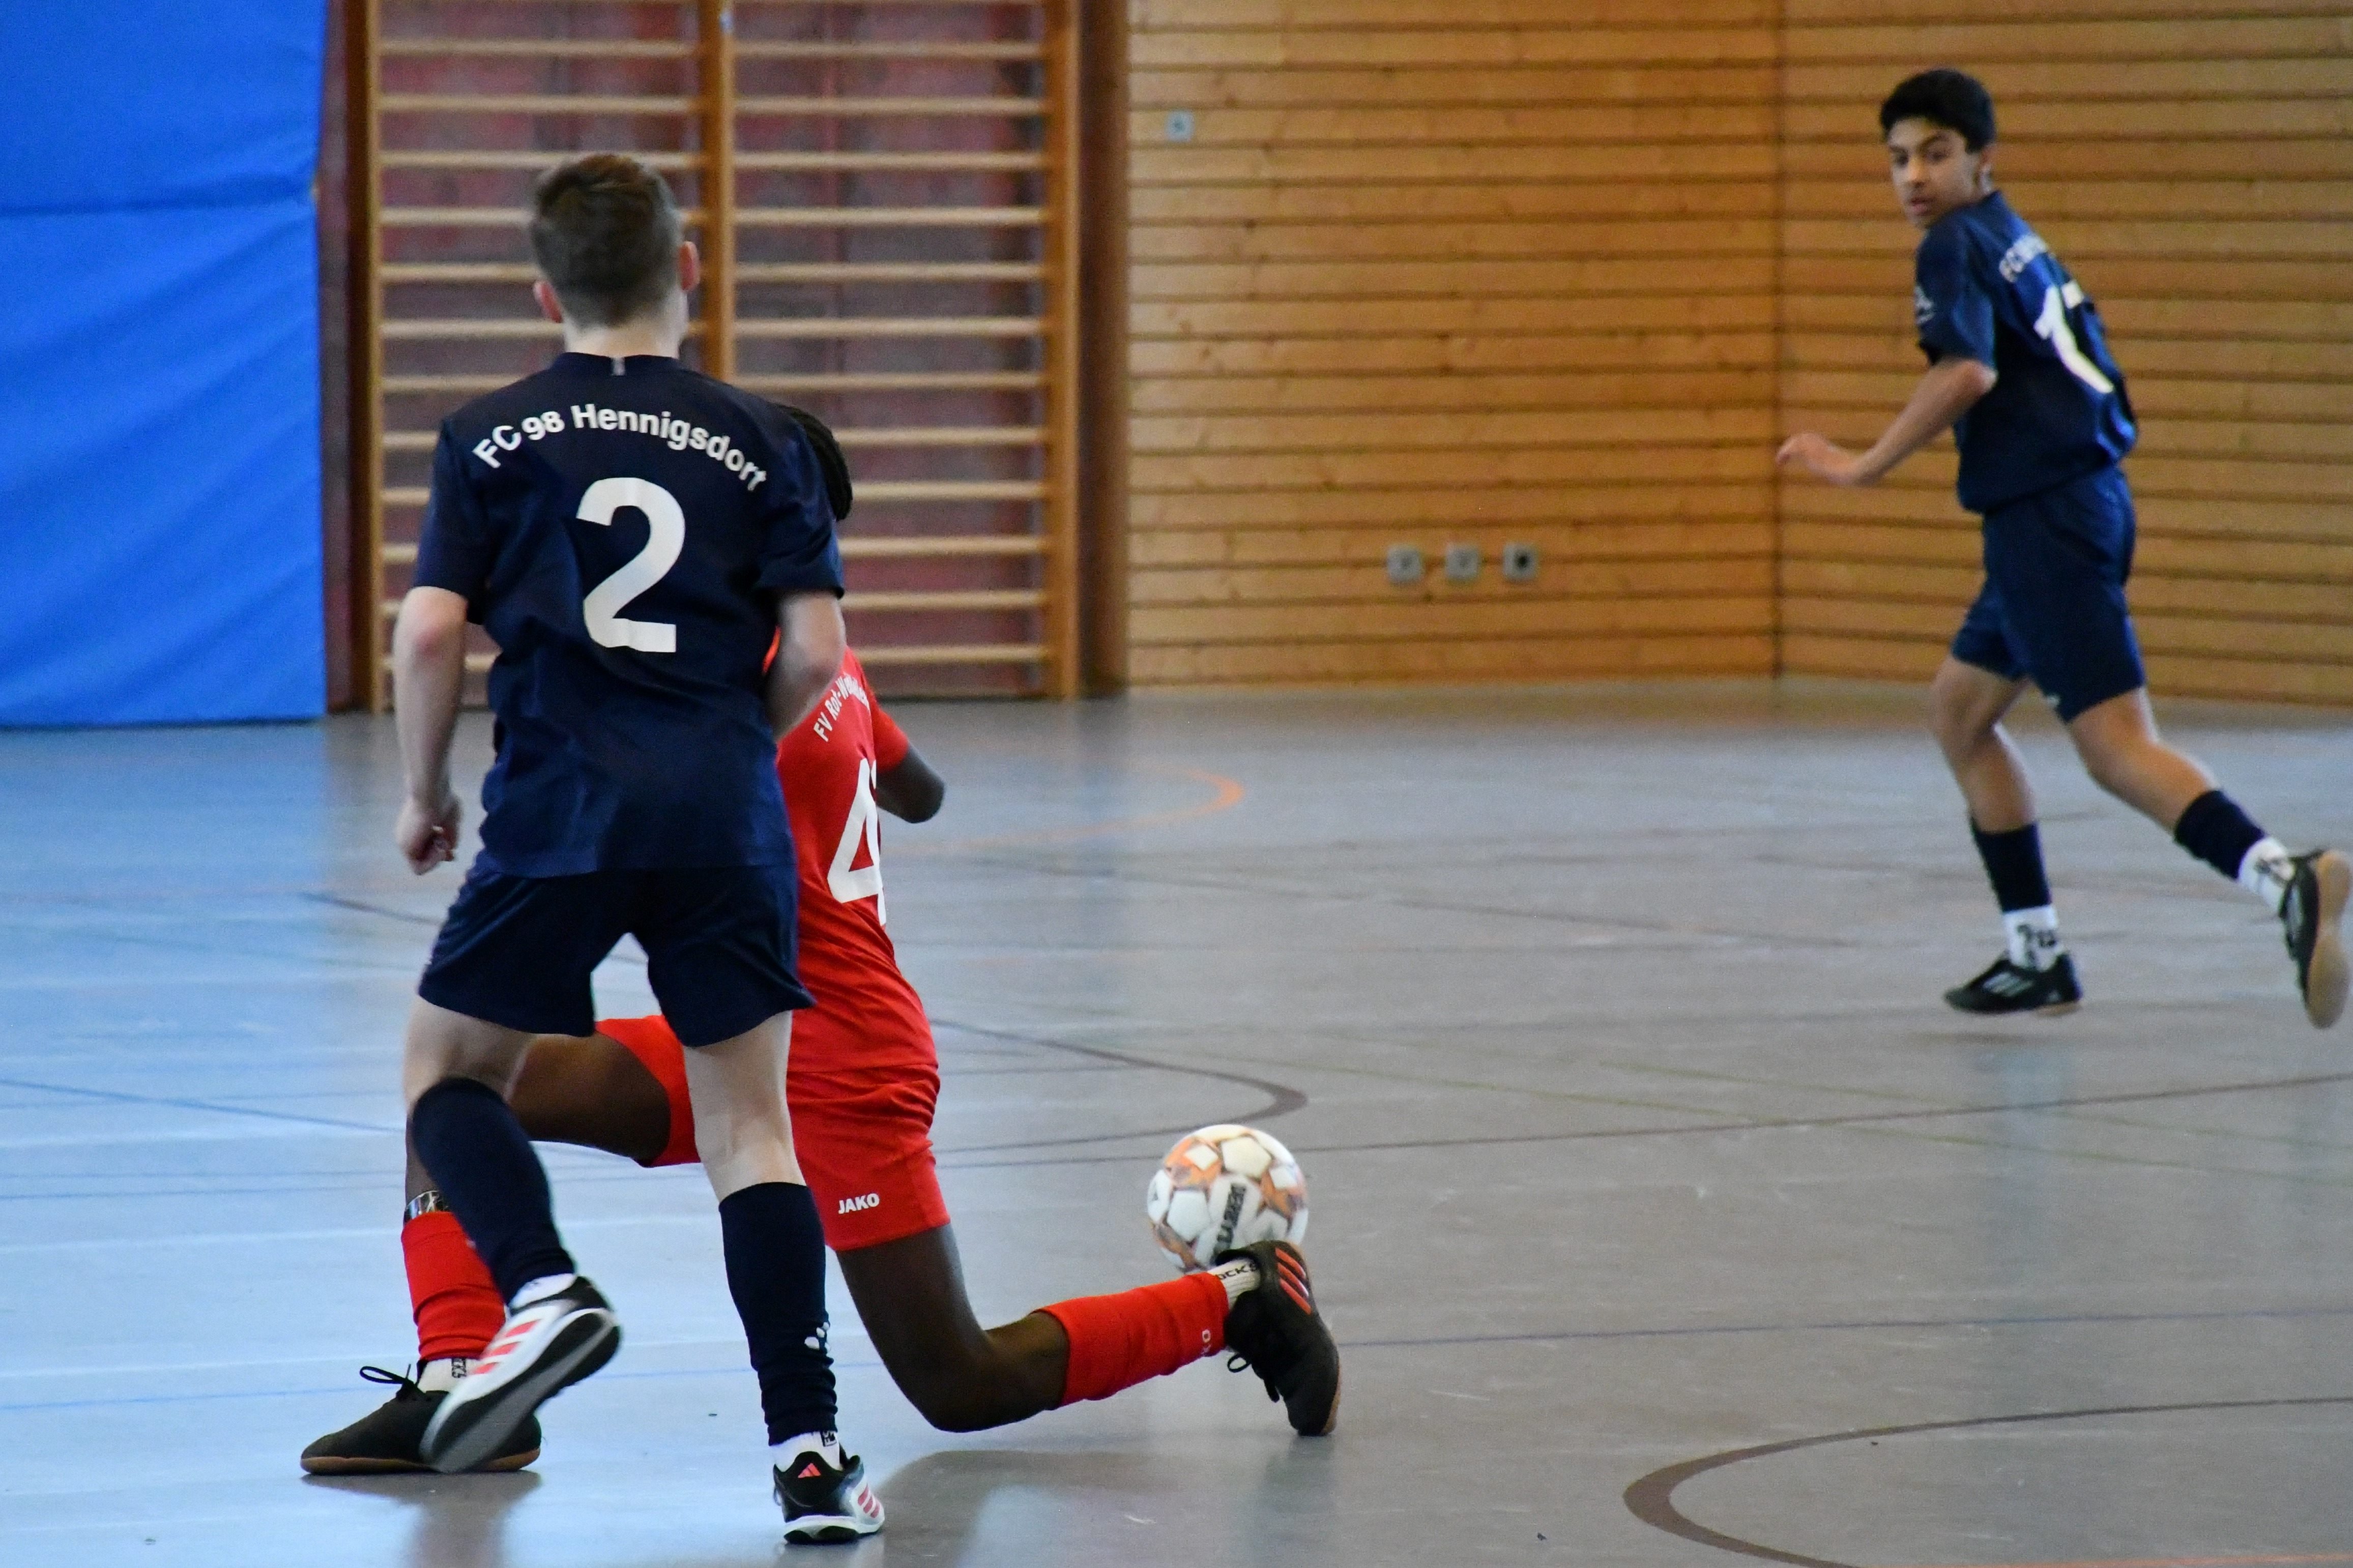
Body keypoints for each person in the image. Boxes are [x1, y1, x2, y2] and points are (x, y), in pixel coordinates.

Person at [308, 646, 1343, 1532]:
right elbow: (920, 791)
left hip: (846, 1059)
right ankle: (460, 1377)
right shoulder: (826, 662)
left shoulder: (729, 672)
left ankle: (1237, 1301)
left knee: (958, 1380)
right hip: (743, 1032)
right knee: (462, 1085)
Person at [381, 152, 857, 1529]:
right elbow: (815, 652)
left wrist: (425, 792)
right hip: (720, 812)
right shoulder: (760, 435)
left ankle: (543, 1290)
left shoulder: (486, 436)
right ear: (687, 270)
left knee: (445, 1073)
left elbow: (429, 631)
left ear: (546, 295)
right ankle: (810, 1457)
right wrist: (733, 746)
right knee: (751, 1129)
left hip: (560, 807)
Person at [1776, 68, 2347, 1024]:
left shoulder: (1951, 244)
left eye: (1934, 153)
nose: (1913, 176)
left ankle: (2284, 880)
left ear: (1981, 158)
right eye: (1897, 159)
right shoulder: (2010, 236)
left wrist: (1860, 464)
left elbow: (1965, 372)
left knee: (2116, 748)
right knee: (1959, 712)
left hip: (2047, 519)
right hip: (2074, 504)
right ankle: (2035, 954)